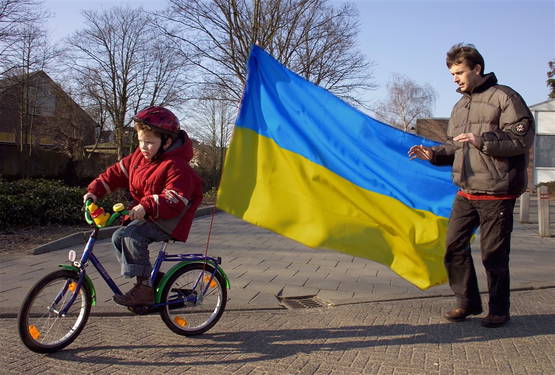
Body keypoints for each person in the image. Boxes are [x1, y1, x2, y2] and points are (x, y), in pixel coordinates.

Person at [408, 43, 535, 328]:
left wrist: (484, 141)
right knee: (453, 248)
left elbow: (521, 139)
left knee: (493, 255)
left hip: (497, 192)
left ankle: (499, 310)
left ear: (477, 69)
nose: (455, 78)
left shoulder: (506, 97)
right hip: (466, 191)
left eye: (459, 72)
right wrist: (435, 154)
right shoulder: (460, 105)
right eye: (452, 74)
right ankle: (467, 302)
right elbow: (457, 146)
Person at [83, 106, 203, 307]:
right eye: (140, 141)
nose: (143, 147)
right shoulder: (139, 158)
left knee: (132, 235)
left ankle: (145, 290)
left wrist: (146, 206)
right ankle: (150, 281)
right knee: (118, 236)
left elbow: (174, 198)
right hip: (151, 213)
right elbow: (116, 174)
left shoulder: (177, 166)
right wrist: (94, 191)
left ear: (167, 142)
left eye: (149, 142)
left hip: (172, 218)